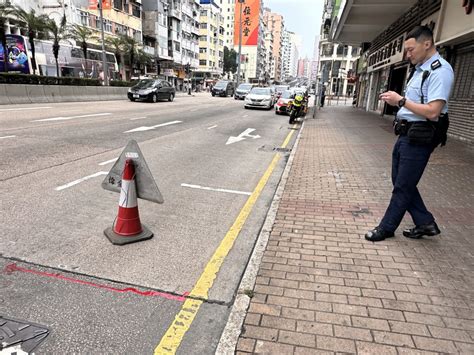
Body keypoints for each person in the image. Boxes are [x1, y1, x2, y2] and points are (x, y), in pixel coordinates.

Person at [365, 26, 454, 242]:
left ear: (427, 44)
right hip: (407, 134)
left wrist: (401, 101)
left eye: (411, 49)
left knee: (403, 185)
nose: (408, 54)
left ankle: (386, 228)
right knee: (401, 180)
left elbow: (433, 111)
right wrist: (396, 102)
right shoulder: (420, 69)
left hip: (421, 135)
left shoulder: (439, 70)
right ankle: (425, 223)